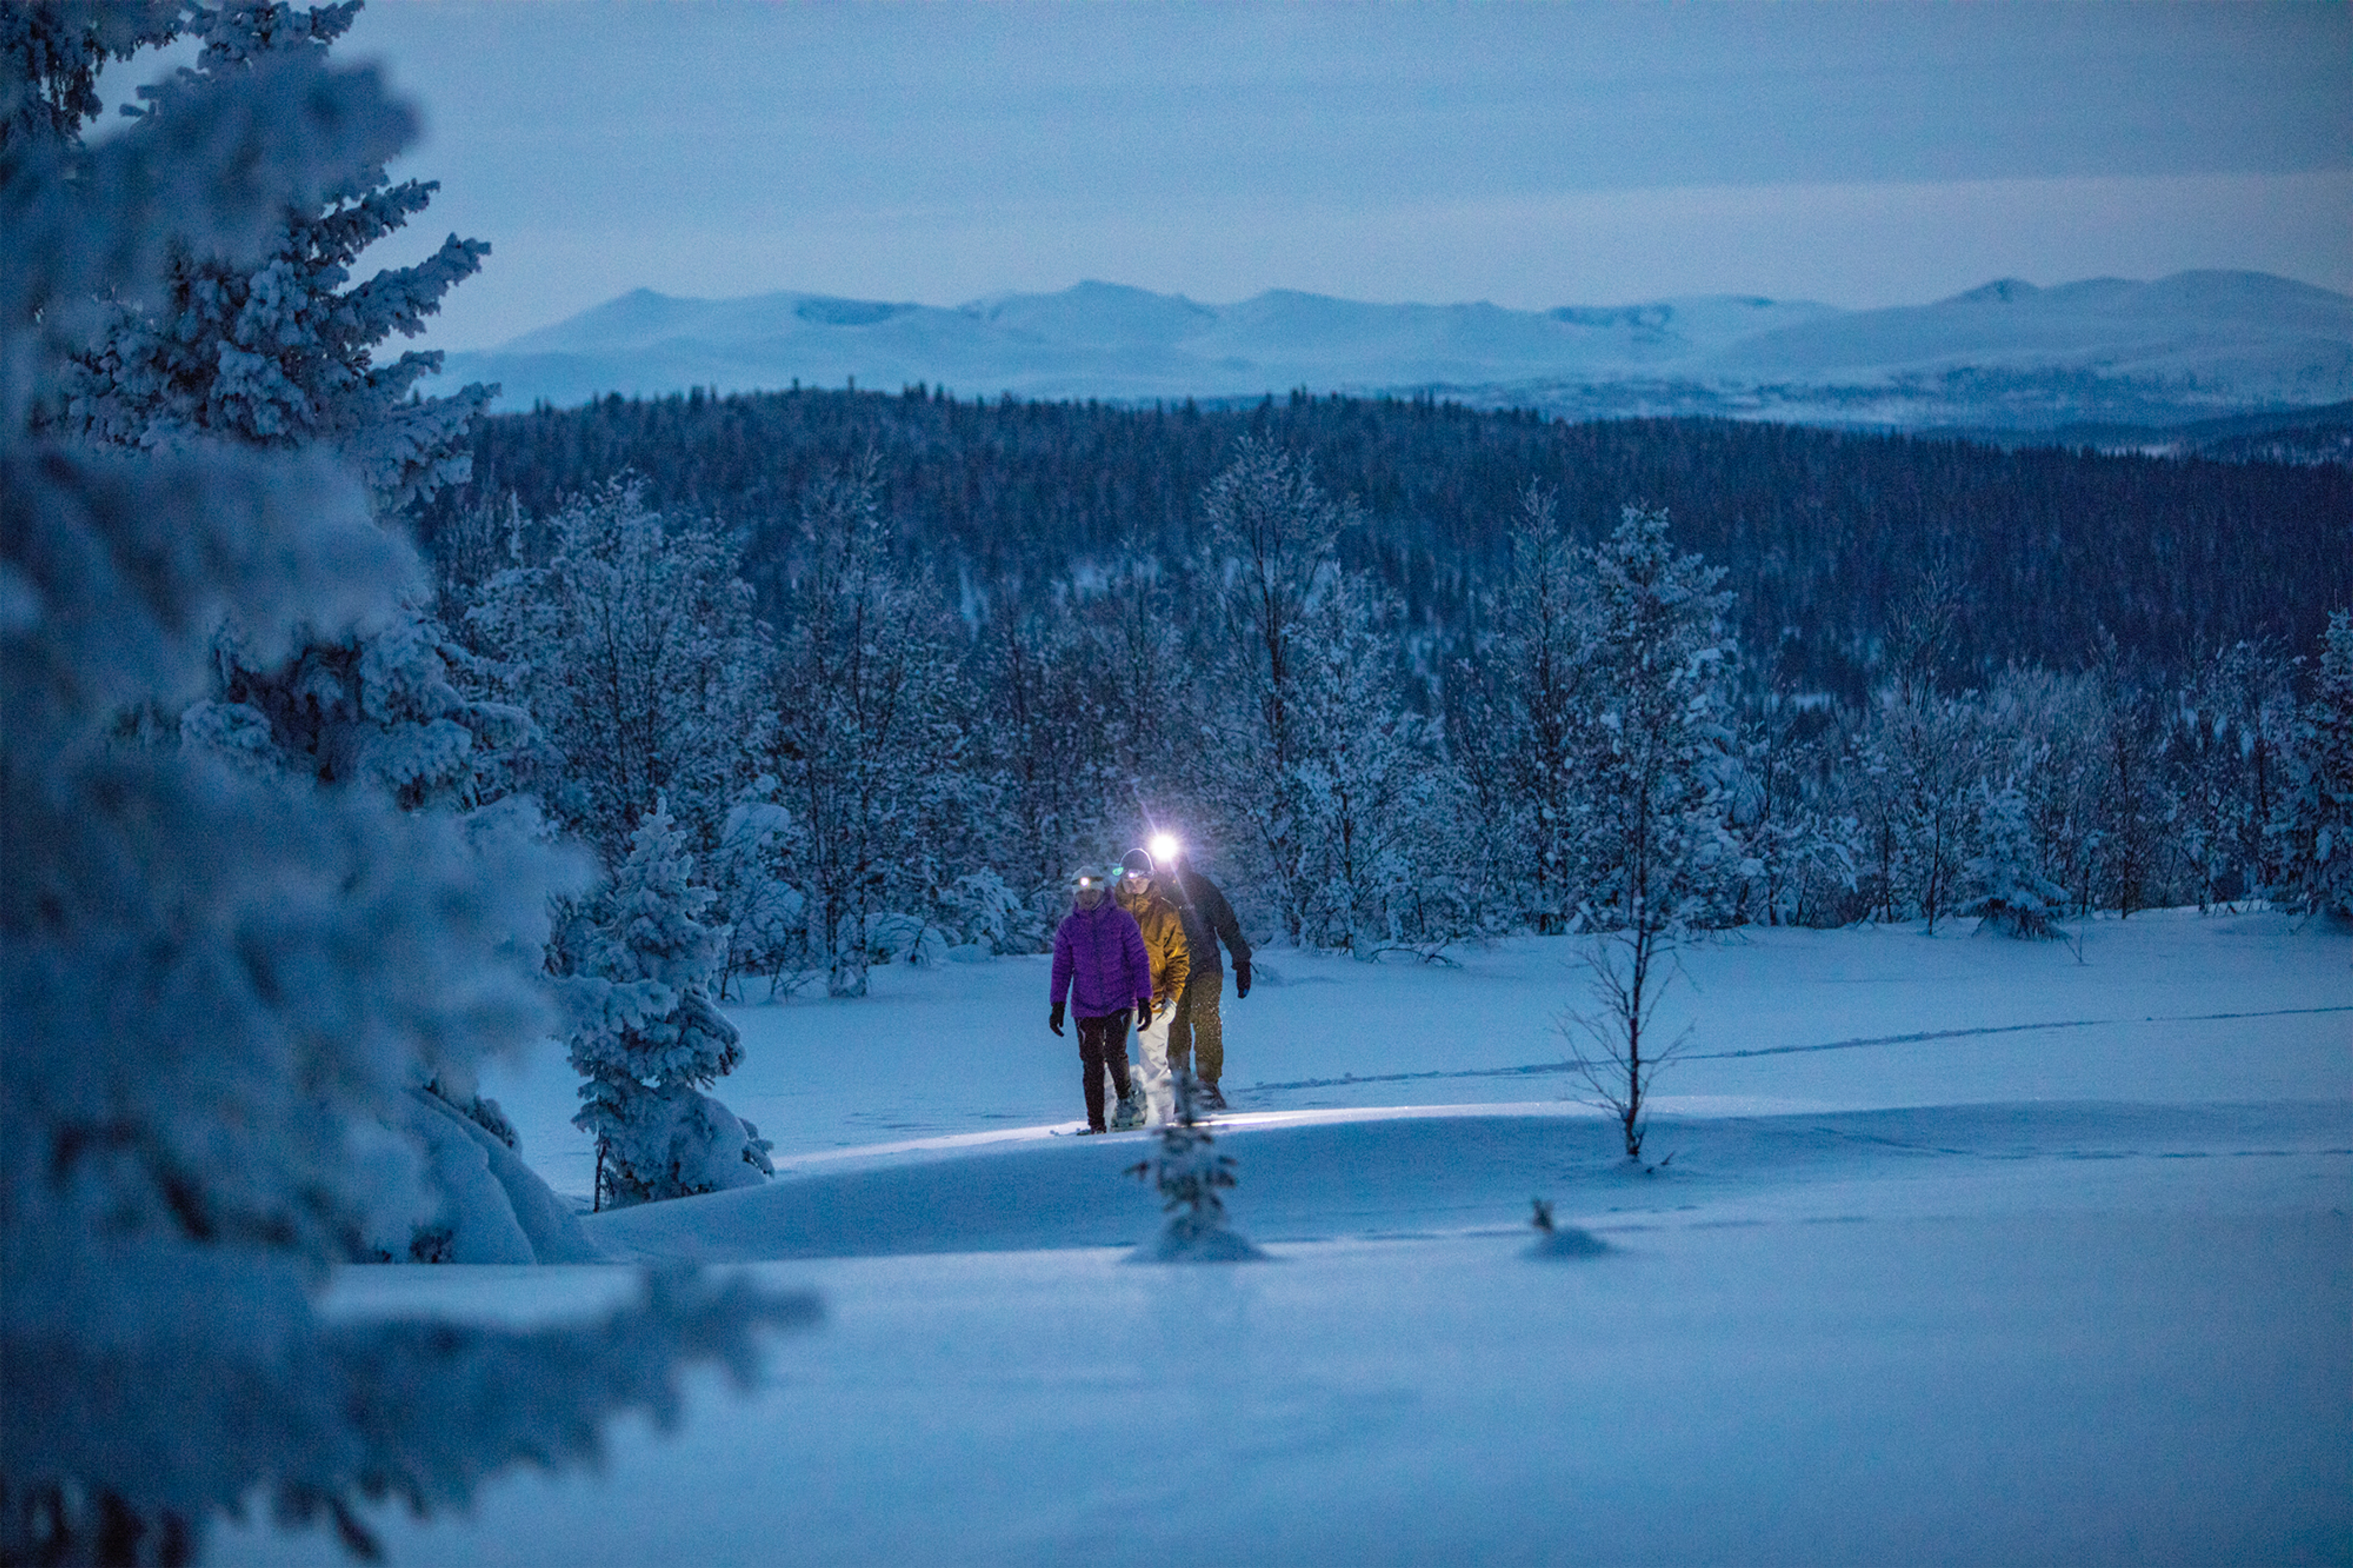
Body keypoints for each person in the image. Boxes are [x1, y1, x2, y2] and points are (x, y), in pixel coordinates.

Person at [1048, 868, 1154, 1134]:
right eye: (1081, 893)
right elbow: (1062, 968)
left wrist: (1143, 999)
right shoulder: (1069, 927)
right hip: (1085, 1005)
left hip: (1120, 999)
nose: (1086, 898)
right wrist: (1057, 1005)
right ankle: (1096, 1123)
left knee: (1115, 1052)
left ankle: (1127, 1101)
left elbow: (1139, 961)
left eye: (1092, 892)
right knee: (1092, 1062)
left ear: (1102, 891)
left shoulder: (1122, 921)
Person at [1152, 839, 1252, 1111]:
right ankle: (1182, 1085)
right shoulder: (1152, 893)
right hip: (1170, 973)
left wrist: (1241, 960)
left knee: (1206, 1018)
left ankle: (1208, 1084)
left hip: (1205, 967)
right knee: (1175, 1027)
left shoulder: (1201, 887)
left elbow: (1227, 925)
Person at [1113, 847, 1191, 1127]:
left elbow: (1179, 958)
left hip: (1155, 997)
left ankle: (1162, 1124)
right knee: (1111, 1063)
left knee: (1156, 1065)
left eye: (1140, 880)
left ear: (1150, 878)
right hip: (1114, 1000)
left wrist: (1173, 998)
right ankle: (1112, 1119)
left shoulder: (1166, 912)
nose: (1134, 887)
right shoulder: (1107, 911)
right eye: (1128, 882)